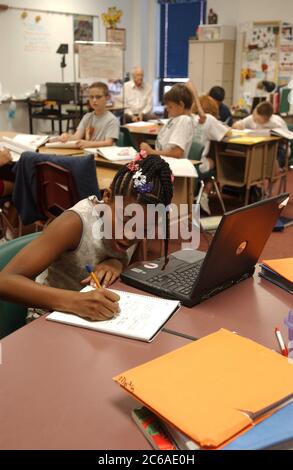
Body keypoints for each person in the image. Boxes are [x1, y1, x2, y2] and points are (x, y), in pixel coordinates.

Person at [0, 155, 173, 322]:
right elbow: (5, 282)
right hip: (49, 318)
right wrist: (76, 301)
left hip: (96, 319)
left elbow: (133, 272)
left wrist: (117, 263)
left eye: (144, 228)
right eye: (124, 221)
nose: (129, 236)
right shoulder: (76, 223)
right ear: (107, 197)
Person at [50, 82, 119, 149]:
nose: (94, 100)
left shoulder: (112, 120)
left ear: (107, 97)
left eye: (98, 97)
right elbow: (76, 137)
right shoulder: (87, 116)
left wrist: (88, 143)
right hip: (89, 153)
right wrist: (67, 136)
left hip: (104, 156)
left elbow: (108, 143)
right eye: (91, 97)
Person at [191, 95, 230, 215]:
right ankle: (205, 194)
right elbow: (227, 133)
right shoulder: (209, 119)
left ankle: (199, 192)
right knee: (216, 163)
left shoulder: (190, 118)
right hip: (198, 165)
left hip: (185, 162)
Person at [139, 84, 194, 159]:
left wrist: (152, 152)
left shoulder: (184, 120)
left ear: (181, 105)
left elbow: (177, 153)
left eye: (170, 106)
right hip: (163, 162)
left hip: (173, 166)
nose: (167, 109)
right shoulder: (174, 119)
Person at [232, 101, 289, 167]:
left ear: (267, 118)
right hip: (258, 147)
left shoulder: (277, 122)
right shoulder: (252, 118)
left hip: (276, 148)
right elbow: (236, 124)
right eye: (254, 117)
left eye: (258, 120)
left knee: (278, 153)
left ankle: (275, 165)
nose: (254, 121)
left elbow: (286, 139)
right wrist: (237, 125)